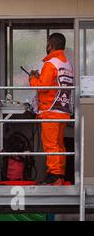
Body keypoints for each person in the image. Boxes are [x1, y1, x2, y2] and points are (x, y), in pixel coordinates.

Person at [29, 33, 74, 185]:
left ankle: (54, 175)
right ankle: (59, 175)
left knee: (51, 145)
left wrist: (33, 78)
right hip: (63, 110)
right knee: (59, 145)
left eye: (47, 44)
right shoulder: (66, 64)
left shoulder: (51, 64)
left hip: (50, 111)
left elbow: (43, 87)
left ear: (51, 46)